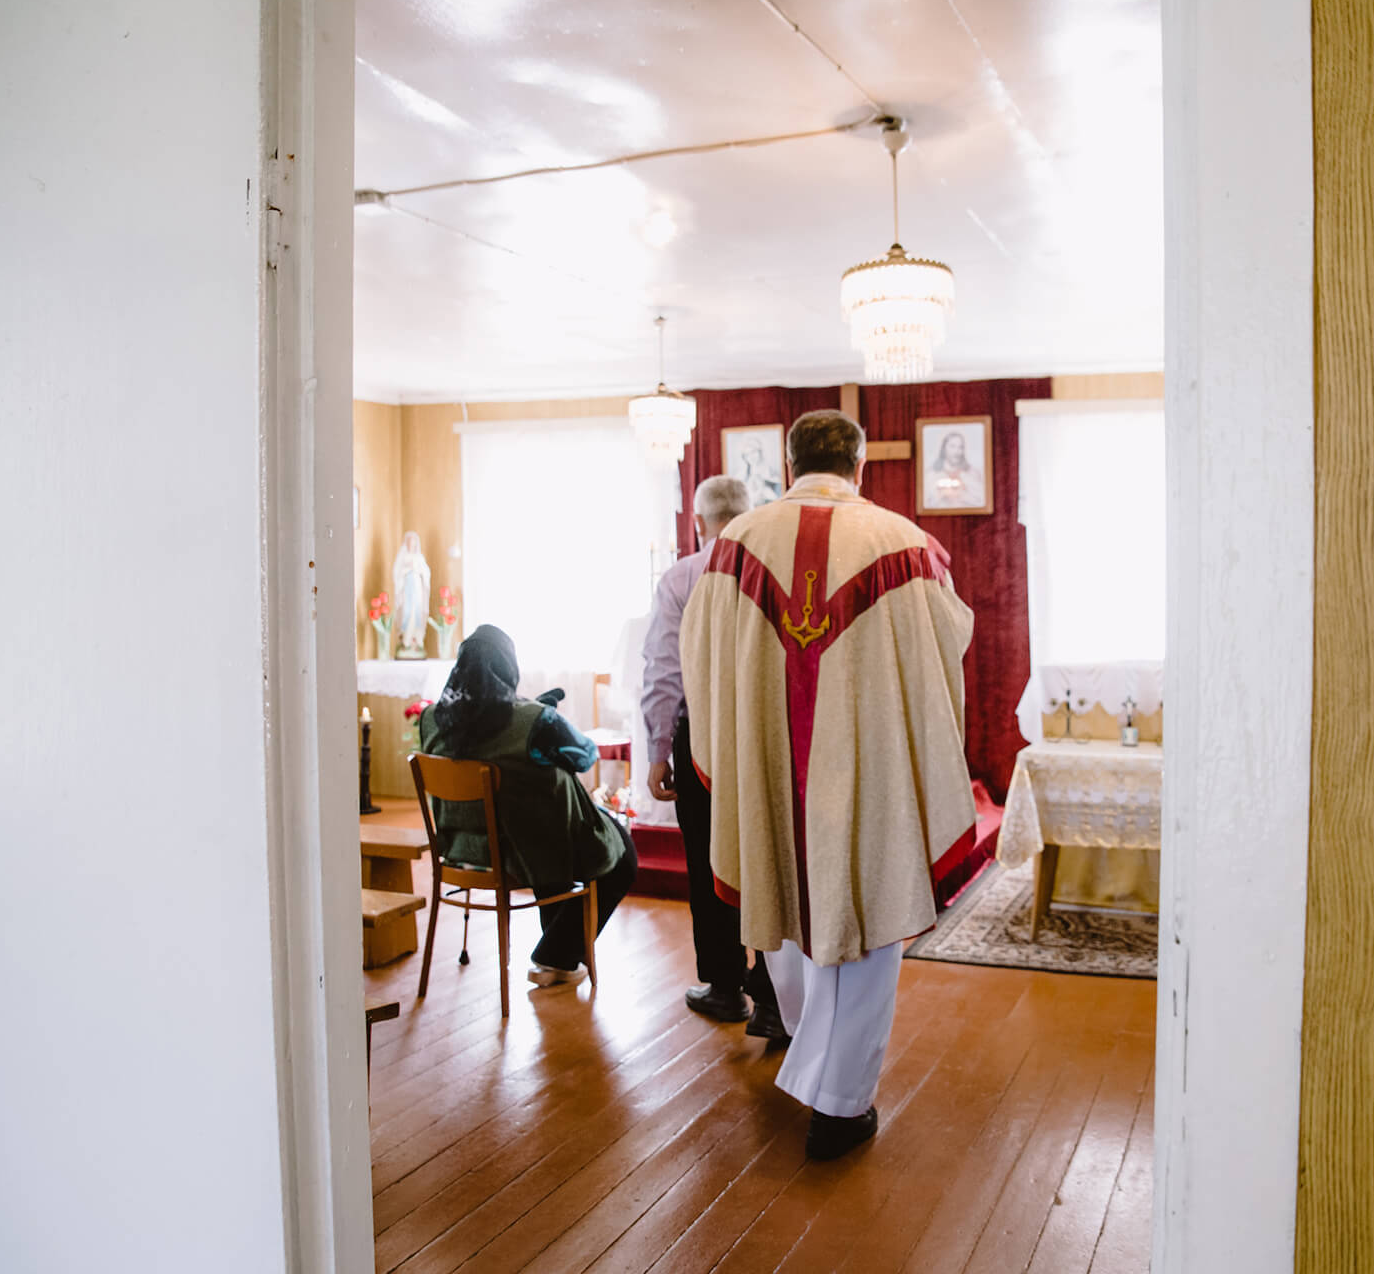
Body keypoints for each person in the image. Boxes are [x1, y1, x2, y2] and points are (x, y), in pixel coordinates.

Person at [682, 410, 976, 1159]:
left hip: (770, 767)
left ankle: (813, 1058)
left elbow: (699, 651)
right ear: (861, 464)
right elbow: (949, 640)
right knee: (871, 917)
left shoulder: (736, 545)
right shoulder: (903, 543)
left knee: (779, 897)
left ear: (788, 464)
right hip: (870, 766)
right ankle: (840, 1104)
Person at [640, 475, 787, 1043]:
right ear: (750, 514)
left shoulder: (681, 577)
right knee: (769, 855)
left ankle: (725, 987)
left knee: (707, 860)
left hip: (700, 734)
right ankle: (774, 997)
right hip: (765, 732)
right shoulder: (772, 568)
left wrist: (658, 750)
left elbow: (664, 670)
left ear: (698, 522)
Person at [418, 624, 638, 986]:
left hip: (463, 848)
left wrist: (537, 711)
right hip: (527, 850)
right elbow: (585, 756)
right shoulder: (534, 721)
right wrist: (543, 714)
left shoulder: (431, 719)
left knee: (544, 826)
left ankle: (557, 959)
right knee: (620, 854)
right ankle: (556, 956)